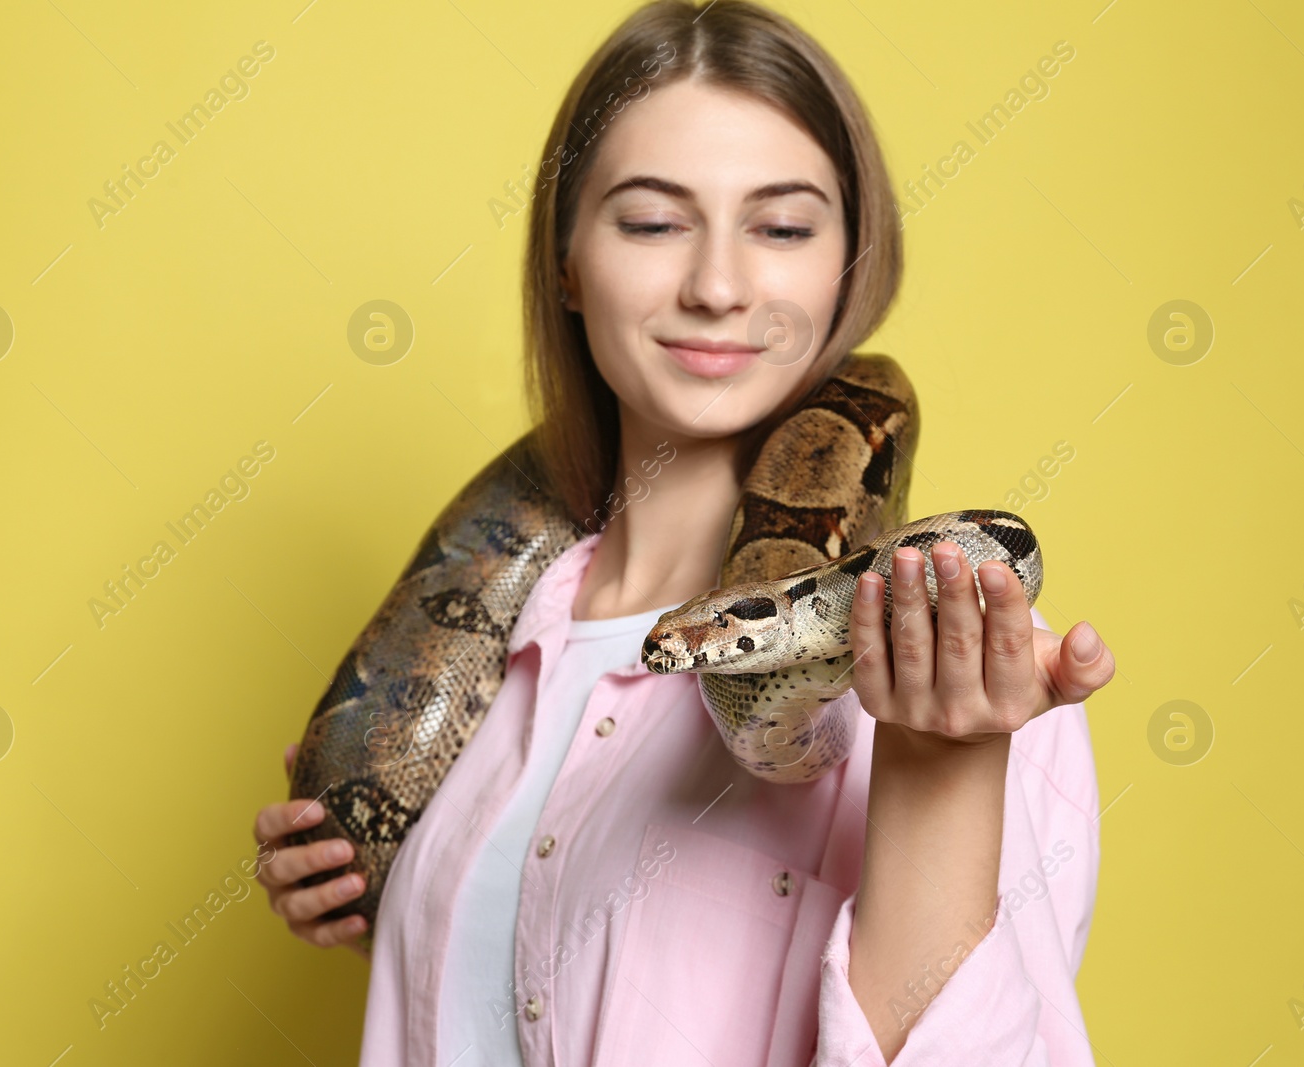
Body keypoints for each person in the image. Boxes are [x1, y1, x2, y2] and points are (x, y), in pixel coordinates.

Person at [251, 2, 1117, 1063]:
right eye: (652, 222)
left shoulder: (950, 658)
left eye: (784, 226)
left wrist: (942, 769)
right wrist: (401, 895)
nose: (716, 286)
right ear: (566, 264)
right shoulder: (497, 663)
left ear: (850, 263)